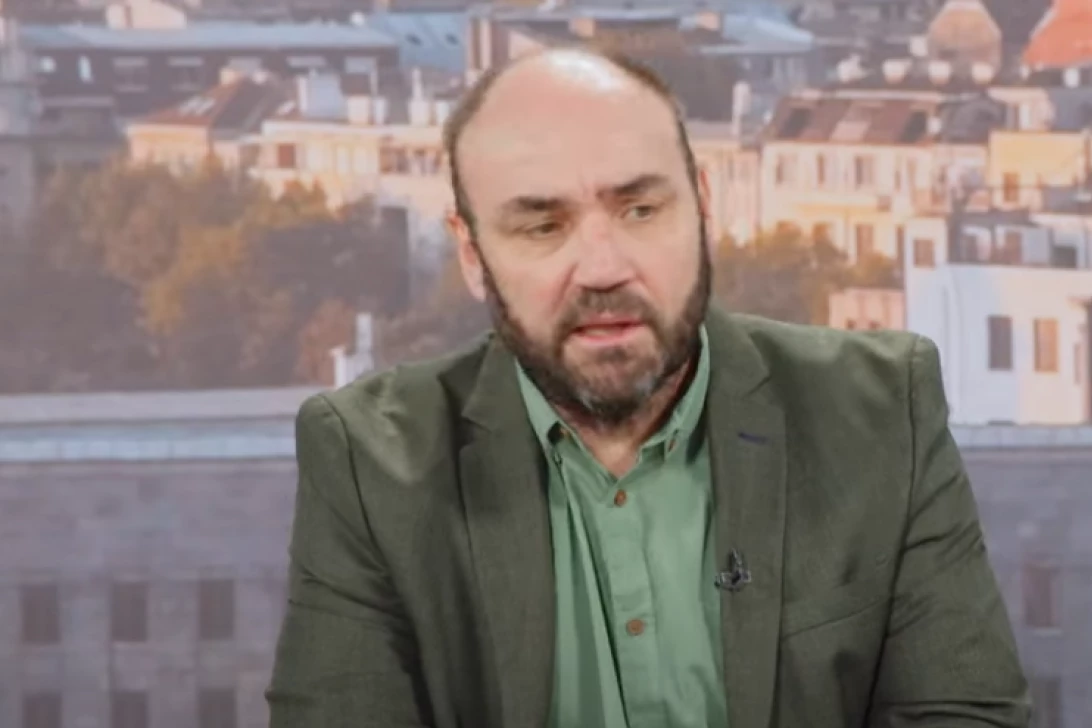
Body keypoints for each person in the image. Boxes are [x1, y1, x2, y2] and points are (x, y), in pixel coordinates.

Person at [266, 47, 1030, 728]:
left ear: (703, 205)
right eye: (543, 227)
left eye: (640, 209)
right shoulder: (371, 466)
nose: (604, 268)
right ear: (471, 254)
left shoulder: (881, 412)